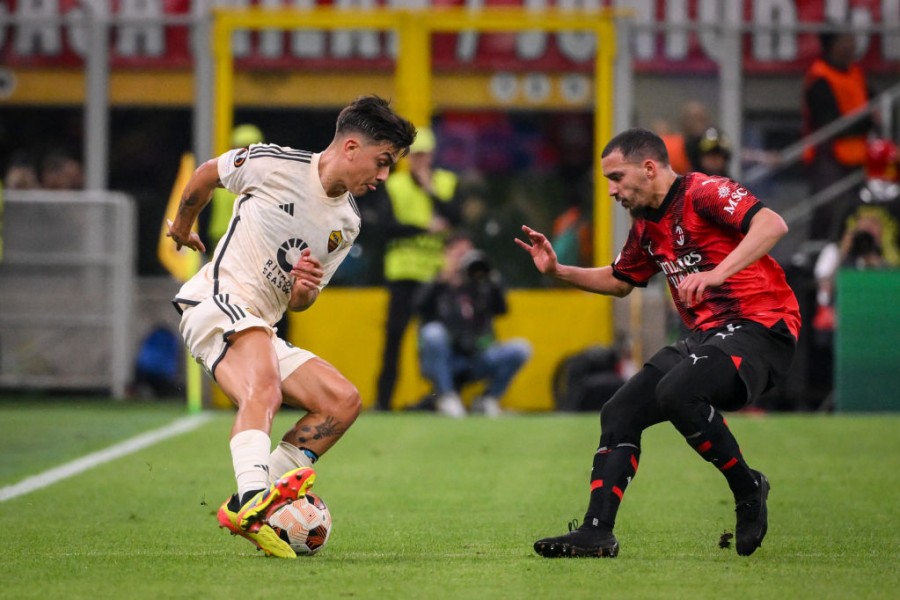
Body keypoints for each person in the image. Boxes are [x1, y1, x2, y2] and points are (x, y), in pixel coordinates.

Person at [516, 128, 800, 558]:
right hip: (707, 336)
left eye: (616, 177)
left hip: (760, 324)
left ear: (648, 168)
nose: (611, 190)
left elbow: (771, 224)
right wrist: (559, 271)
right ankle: (596, 532)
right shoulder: (647, 223)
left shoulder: (704, 191)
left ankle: (748, 488)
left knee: (676, 391)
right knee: (620, 410)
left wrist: (717, 272)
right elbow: (620, 281)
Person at [166, 95, 416, 558]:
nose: (383, 177)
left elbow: (303, 301)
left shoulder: (347, 223)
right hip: (215, 301)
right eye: (382, 163)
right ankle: (251, 500)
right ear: (351, 147)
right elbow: (205, 175)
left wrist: (303, 290)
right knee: (263, 389)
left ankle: (262, 496)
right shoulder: (272, 163)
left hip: (260, 323)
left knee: (341, 402)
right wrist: (183, 226)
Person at [371, 126, 462, 411]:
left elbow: (456, 217)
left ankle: (443, 398)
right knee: (394, 338)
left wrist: (430, 191)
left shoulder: (446, 183)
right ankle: (384, 402)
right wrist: (425, 229)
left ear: (433, 155)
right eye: (415, 155)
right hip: (404, 273)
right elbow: (385, 227)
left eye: (425, 155)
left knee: (439, 338)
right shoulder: (394, 184)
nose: (420, 161)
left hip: (437, 273)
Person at [415, 232, 531, 417]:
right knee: (433, 333)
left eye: (467, 253)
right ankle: (446, 397)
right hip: (446, 359)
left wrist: (490, 277)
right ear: (446, 255)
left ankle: (487, 400)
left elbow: (501, 309)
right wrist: (442, 278)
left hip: (476, 357)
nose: (463, 259)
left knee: (520, 349)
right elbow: (419, 307)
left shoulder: (480, 285)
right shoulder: (437, 285)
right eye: (458, 254)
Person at [802, 28, 875, 240]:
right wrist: (867, 121)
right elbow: (830, 123)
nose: (852, 46)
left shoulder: (855, 73)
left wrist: (867, 121)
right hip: (828, 155)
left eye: (853, 41)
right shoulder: (819, 76)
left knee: (860, 208)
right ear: (832, 45)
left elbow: (872, 103)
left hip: (859, 155)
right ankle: (815, 256)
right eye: (846, 41)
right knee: (829, 209)